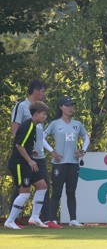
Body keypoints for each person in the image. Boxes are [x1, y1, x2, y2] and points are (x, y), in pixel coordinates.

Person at [42, 96, 90, 228]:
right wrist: (52, 151)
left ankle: (73, 219)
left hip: (73, 163)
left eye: (71, 105)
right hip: (59, 163)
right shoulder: (54, 124)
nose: (70, 108)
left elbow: (86, 138)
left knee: (71, 192)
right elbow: (42, 137)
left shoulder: (77, 124)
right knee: (57, 192)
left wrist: (82, 152)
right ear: (61, 107)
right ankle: (52, 220)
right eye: (67, 105)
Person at [10, 79, 50, 226]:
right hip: (24, 157)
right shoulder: (21, 106)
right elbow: (16, 134)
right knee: (22, 189)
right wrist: (25, 155)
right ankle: (12, 219)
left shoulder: (40, 111)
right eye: (42, 90)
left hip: (37, 155)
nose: (44, 93)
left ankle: (40, 218)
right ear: (35, 90)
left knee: (43, 186)